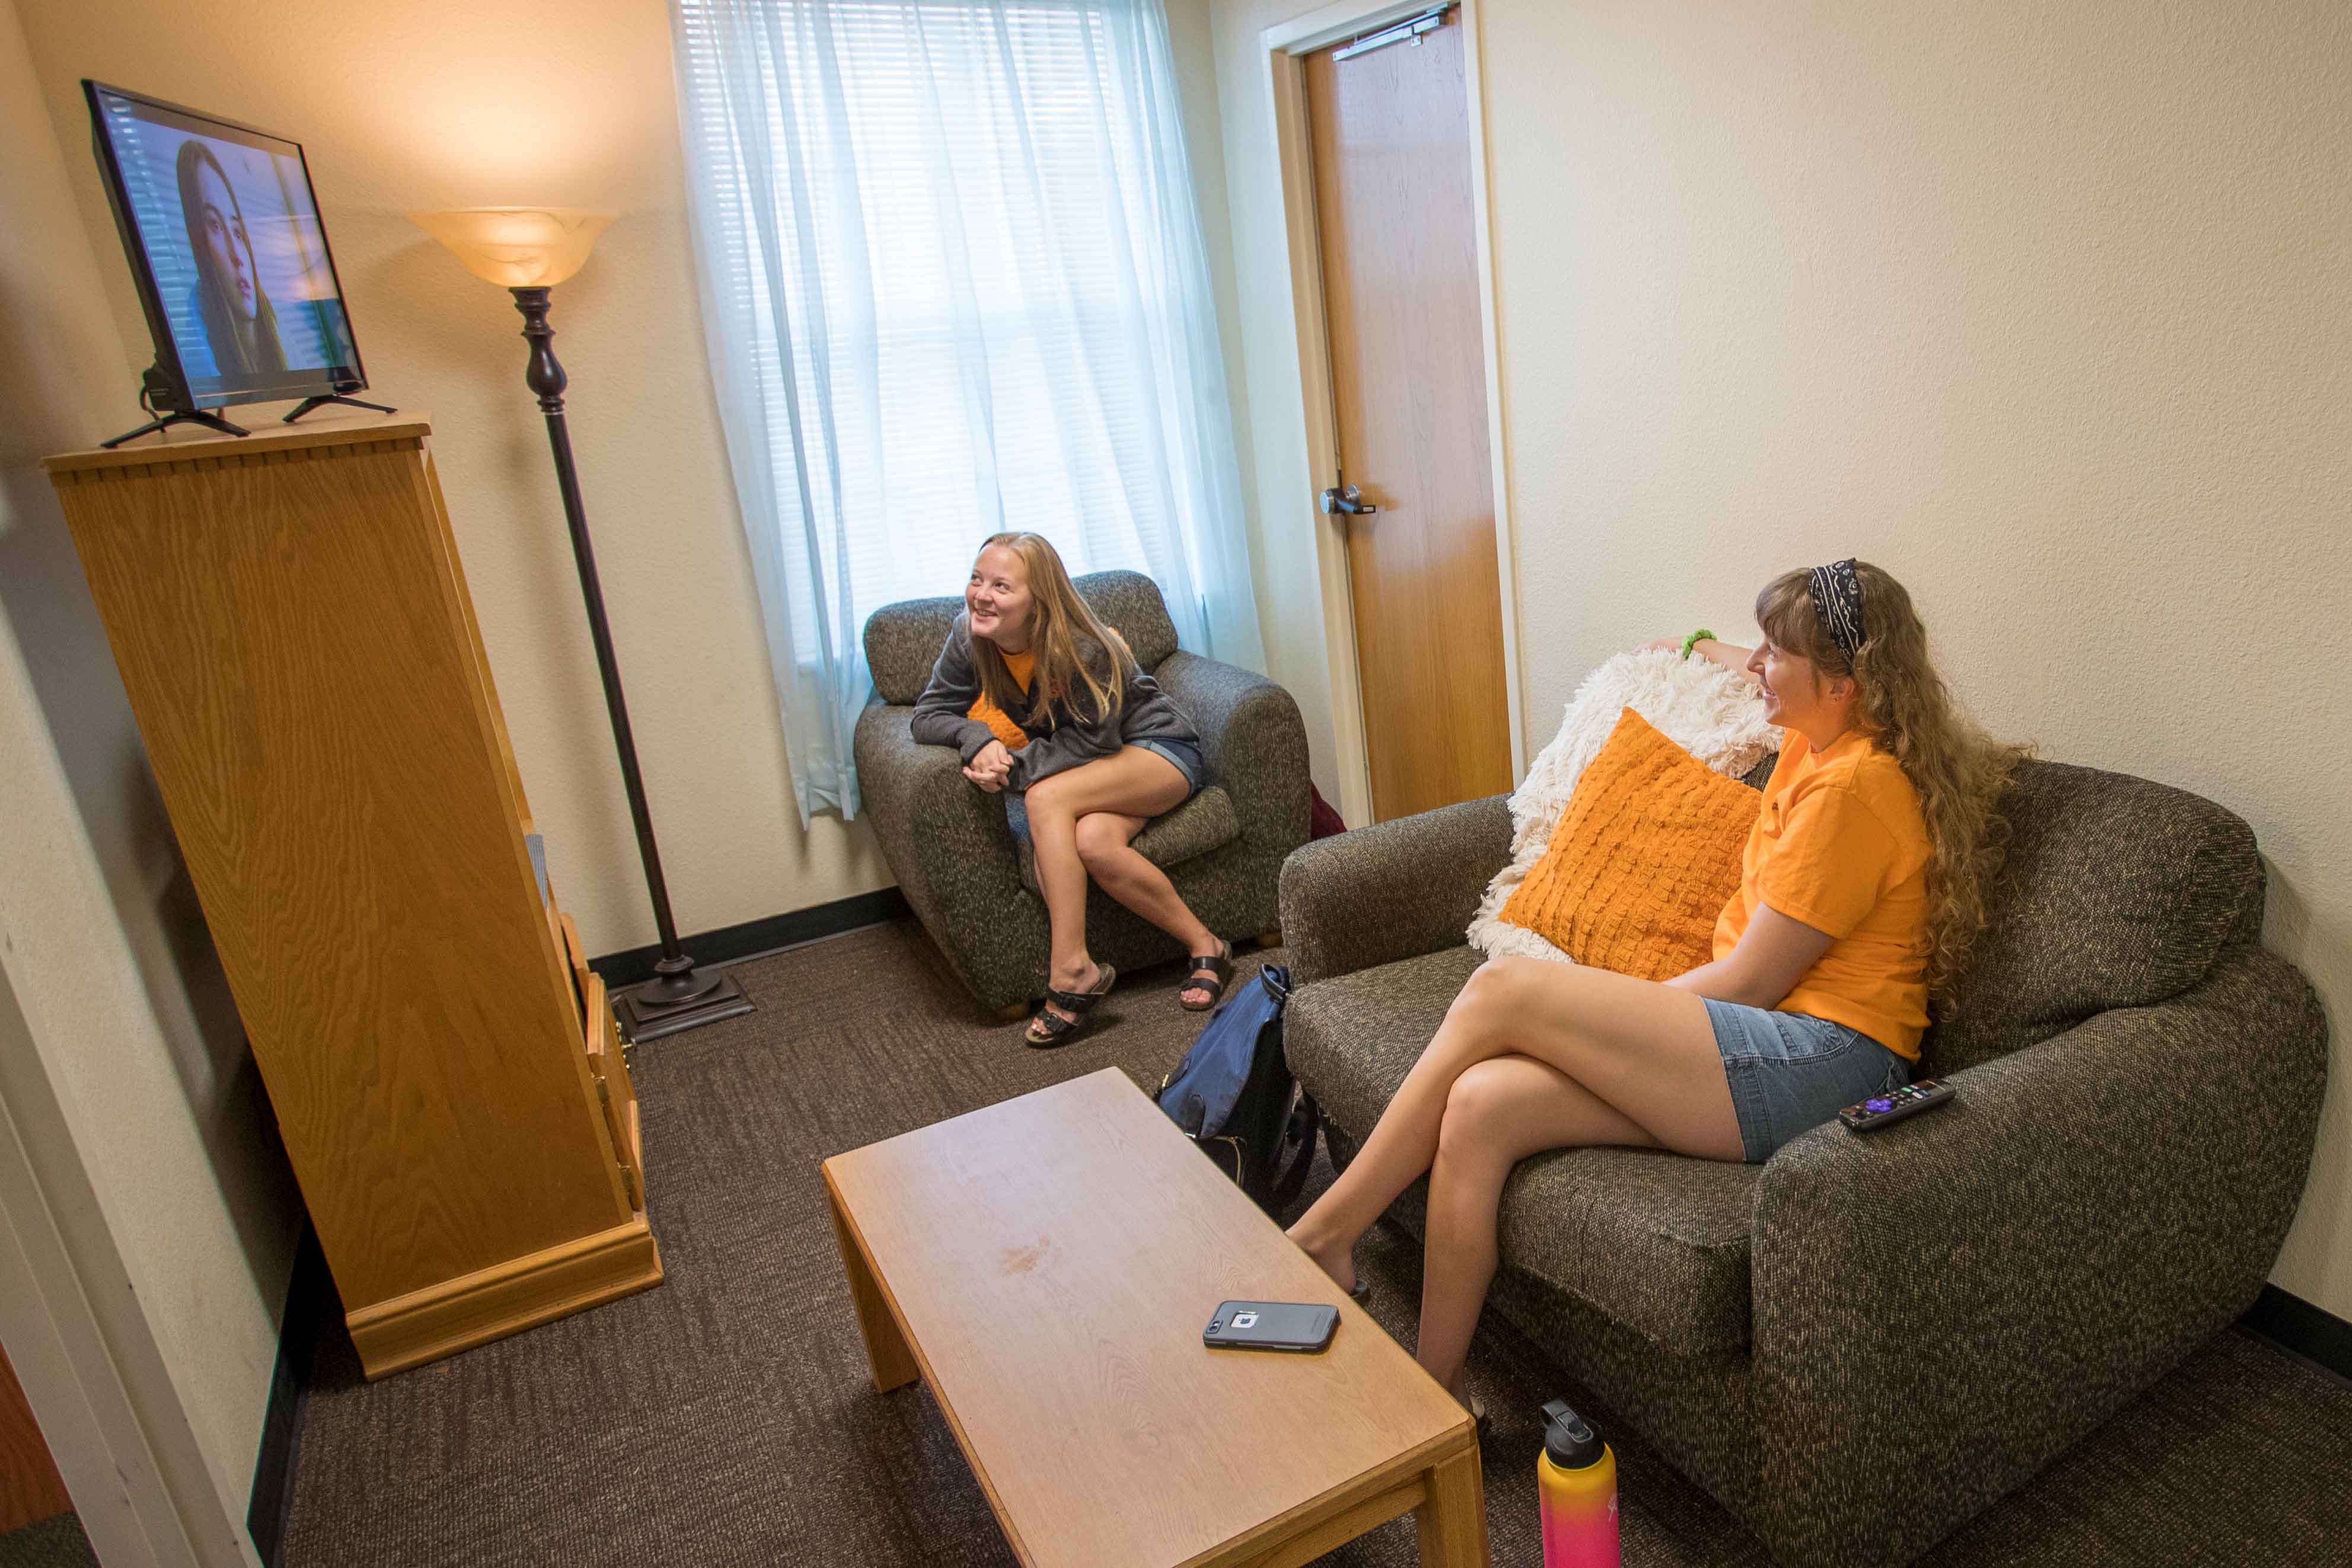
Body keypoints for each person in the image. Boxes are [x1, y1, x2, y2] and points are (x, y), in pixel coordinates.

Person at [1287, 559, 2023, 1412]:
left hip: (1823, 1062)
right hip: (1763, 1041)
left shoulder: (1854, 791)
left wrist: (1606, 1016)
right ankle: (1434, 1401)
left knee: (1504, 995)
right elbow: (1741, 655)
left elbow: (1748, 982)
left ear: (1843, 684)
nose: (1755, 667)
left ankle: (1327, 1231)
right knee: (1481, 1105)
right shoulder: (1814, 740)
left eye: (1775, 656)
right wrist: (1695, 644)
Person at [910, 534, 1232, 1046]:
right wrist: (976, 741)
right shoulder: (969, 634)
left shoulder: (1081, 644)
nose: (980, 595)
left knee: (1044, 796)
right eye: (976, 579)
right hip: (1098, 767)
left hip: (1156, 751)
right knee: (1093, 844)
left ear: (1038, 600)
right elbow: (927, 715)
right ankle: (1206, 943)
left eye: (1001, 586)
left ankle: (1071, 970)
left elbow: (1092, 743)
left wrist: (1010, 768)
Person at [175, 138, 287, 378]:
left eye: (238, 232)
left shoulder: (285, 342)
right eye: (214, 225)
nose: (237, 256)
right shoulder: (199, 358)